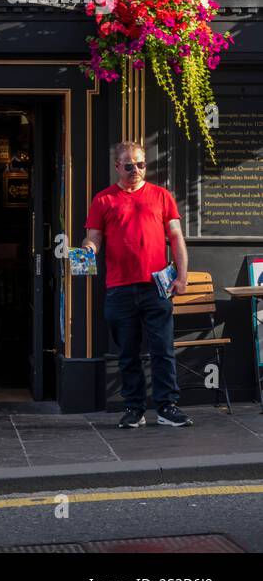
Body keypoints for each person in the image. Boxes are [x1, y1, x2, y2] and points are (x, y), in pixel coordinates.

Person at [83, 141, 192, 429]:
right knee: (127, 353)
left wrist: (182, 277)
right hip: (119, 288)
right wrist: (88, 248)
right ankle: (134, 408)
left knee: (163, 349)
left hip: (156, 286)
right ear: (117, 167)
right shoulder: (103, 200)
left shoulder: (161, 196)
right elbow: (93, 237)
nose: (136, 170)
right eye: (129, 165)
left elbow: (176, 238)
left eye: (141, 164)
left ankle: (167, 407)